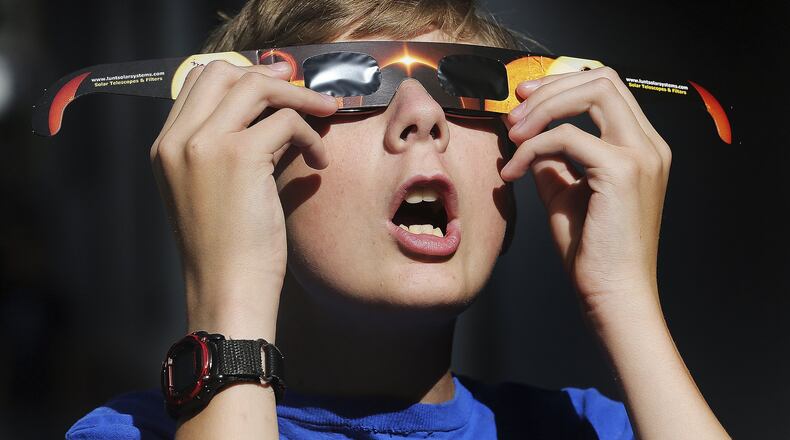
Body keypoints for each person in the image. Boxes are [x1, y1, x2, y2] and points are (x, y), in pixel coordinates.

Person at [65, 0, 731, 439]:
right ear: (246, 167)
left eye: (470, 85)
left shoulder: (594, 429)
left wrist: (624, 299)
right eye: (345, 83)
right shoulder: (129, 433)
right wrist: (227, 311)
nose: (424, 114)